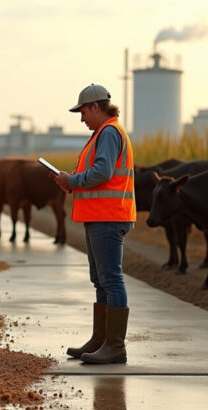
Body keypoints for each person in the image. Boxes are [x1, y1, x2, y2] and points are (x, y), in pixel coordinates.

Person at [50, 84, 136, 364]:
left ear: (96, 107)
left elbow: (103, 171)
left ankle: (115, 347)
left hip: (109, 217)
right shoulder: (103, 132)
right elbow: (98, 172)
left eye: (83, 111)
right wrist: (71, 182)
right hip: (99, 215)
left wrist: (72, 180)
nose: (82, 117)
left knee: (111, 279)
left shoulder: (109, 132)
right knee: (101, 280)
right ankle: (100, 340)